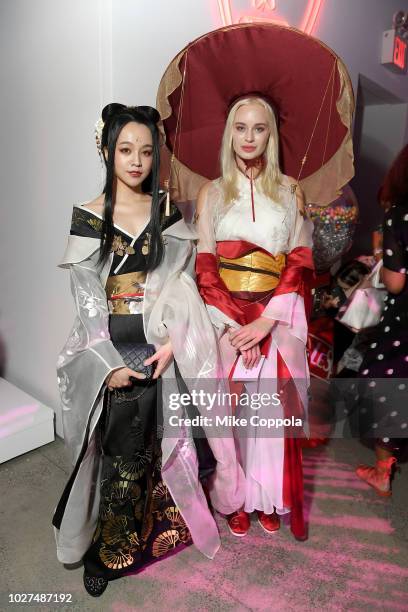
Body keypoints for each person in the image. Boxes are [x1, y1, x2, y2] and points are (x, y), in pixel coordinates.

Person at [52, 104, 244, 597]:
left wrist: (175, 340)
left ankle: (158, 533)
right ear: (106, 151)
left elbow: (180, 280)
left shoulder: (164, 209)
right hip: (113, 347)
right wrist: (106, 363)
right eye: (125, 150)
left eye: (145, 150)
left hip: (160, 342)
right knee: (119, 454)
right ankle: (109, 551)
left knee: (164, 445)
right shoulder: (90, 215)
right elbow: (89, 299)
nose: (136, 161)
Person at [195, 96, 314, 540]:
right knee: (228, 412)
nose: (249, 137)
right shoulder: (211, 190)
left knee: (267, 413)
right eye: (240, 128)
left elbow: (299, 260)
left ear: (271, 134)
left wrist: (265, 323)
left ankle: (265, 498)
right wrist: (231, 321)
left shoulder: (290, 189)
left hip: (274, 318)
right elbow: (204, 262)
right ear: (230, 133)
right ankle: (234, 497)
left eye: (258, 128)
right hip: (225, 317)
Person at [355, 144, 408, 496]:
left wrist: (377, 264)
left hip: (404, 321)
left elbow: (395, 281)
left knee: (385, 384)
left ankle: (381, 472)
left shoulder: (399, 214)